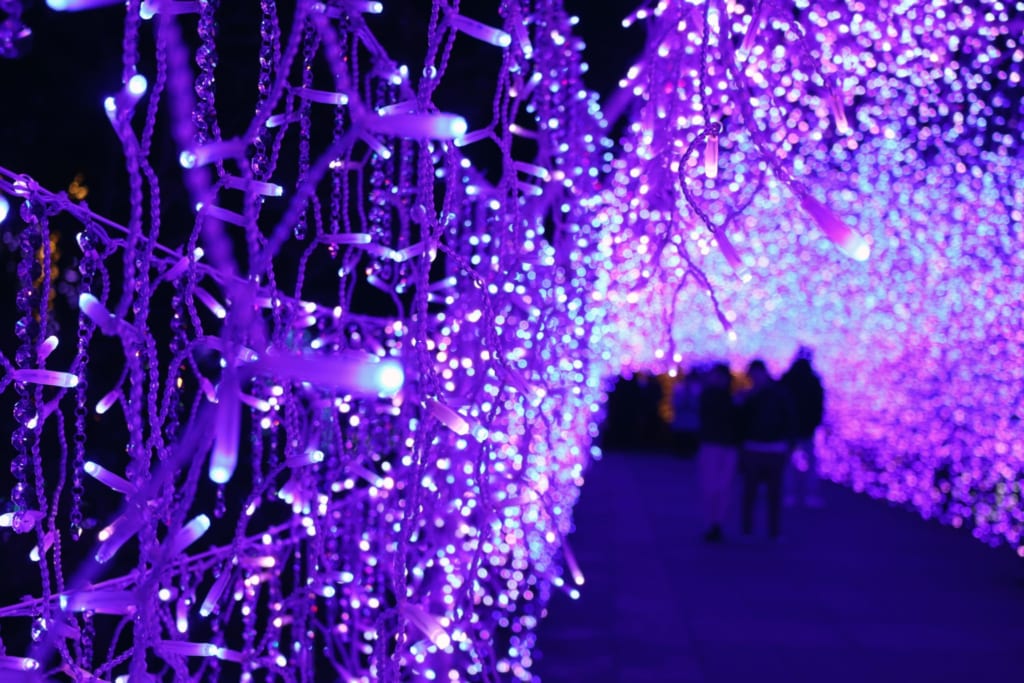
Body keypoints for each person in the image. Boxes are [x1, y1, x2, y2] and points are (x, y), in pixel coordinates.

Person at [737, 359, 797, 540]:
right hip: (754, 448)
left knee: (772, 493)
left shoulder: (779, 394)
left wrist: (789, 444)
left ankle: (773, 531)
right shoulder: (748, 396)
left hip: (774, 449)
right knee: (750, 492)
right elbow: (740, 422)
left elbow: (790, 419)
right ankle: (748, 530)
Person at [695, 363, 739, 542]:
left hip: (723, 445)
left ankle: (717, 522)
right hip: (714, 444)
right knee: (712, 485)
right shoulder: (711, 396)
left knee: (721, 486)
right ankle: (712, 522)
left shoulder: (727, 397)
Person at [781, 347, 826, 507]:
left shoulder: (788, 378)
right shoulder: (813, 380)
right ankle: (810, 494)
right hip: (807, 428)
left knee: (788, 463)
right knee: (811, 462)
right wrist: (814, 422)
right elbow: (819, 404)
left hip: (791, 429)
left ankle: (789, 494)